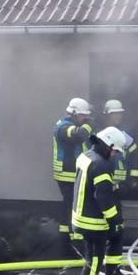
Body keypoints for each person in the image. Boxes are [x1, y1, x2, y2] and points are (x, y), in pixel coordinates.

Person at [71, 126, 127, 275]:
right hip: (92, 221)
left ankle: (113, 273)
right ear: (107, 144)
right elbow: (102, 196)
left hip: (81, 215)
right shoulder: (101, 165)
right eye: (114, 151)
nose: (114, 155)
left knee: (115, 238)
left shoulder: (86, 156)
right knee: (95, 259)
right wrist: (114, 220)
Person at [102, 99, 138, 275]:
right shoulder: (100, 135)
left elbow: (134, 155)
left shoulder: (126, 135)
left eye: (120, 113)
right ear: (107, 115)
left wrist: (133, 177)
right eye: (114, 113)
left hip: (117, 187)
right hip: (104, 187)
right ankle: (108, 268)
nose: (118, 116)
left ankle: (112, 269)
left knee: (116, 228)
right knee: (110, 228)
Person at [53, 98, 94, 247]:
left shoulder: (72, 124)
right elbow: (78, 135)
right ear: (74, 113)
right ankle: (75, 242)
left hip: (72, 174)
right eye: (84, 116)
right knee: (73, 206)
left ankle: (66, 240)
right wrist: (89, 126)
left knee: (69, 206)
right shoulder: (63, 127)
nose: (85, 119)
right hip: (67, 174)